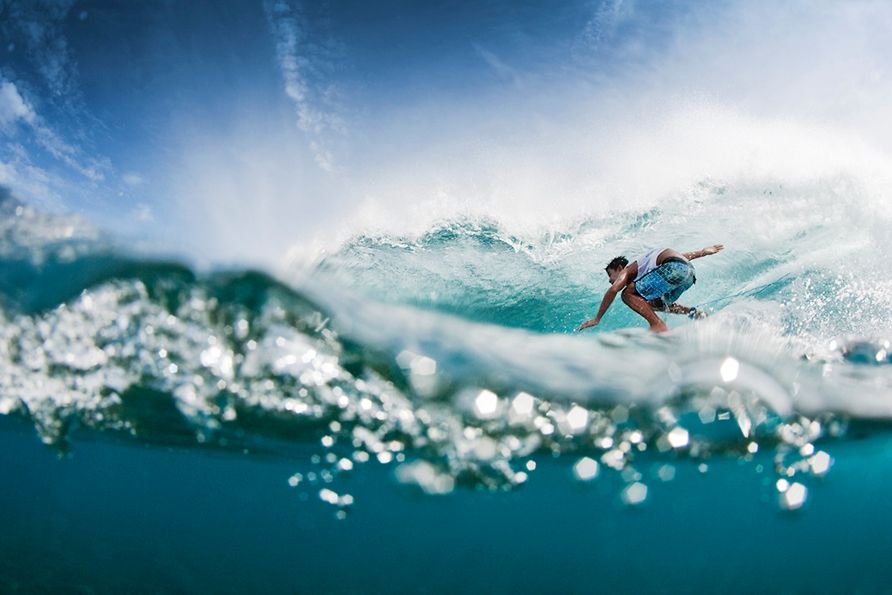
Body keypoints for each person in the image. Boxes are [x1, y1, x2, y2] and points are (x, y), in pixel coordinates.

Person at [576, 245, 724, 333]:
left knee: (626, 294)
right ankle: (693, 312)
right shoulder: (646, 264)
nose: (611, 281)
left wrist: (597, 319)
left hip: (674, 268)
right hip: (688, 275)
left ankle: (657, 325)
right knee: (655, 304)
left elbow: (614, 290)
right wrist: (703, 252)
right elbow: (680, 257)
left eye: (611, 277)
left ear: (620, 268)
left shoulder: (628, 269)